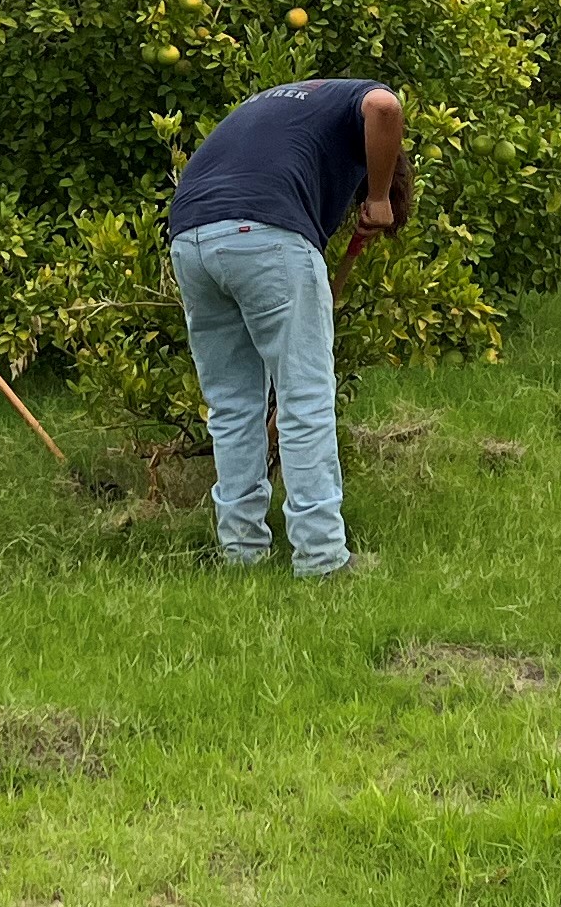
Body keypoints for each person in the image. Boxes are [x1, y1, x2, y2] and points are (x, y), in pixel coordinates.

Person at [164, 73, 404, 577]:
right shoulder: (357, 97)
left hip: (190, 239)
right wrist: (379, 197)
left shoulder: (284, 109)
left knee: (231, 406)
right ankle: (321, 558)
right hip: (266, 233)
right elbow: (385, 109)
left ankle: (241, 552)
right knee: (306, 401)